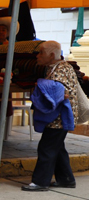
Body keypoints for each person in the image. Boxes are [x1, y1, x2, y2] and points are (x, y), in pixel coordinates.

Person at [22, 41, 78, 191]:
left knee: (46, 148)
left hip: (59, 117)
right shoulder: (55, 67)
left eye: (41, 53)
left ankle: (40, 182)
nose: (38, 56)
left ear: (52, 55)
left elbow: (63, 94)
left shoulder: (61, 70)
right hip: (59, 116)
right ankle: (66, 179)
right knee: (57, 147)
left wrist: (40, 86)